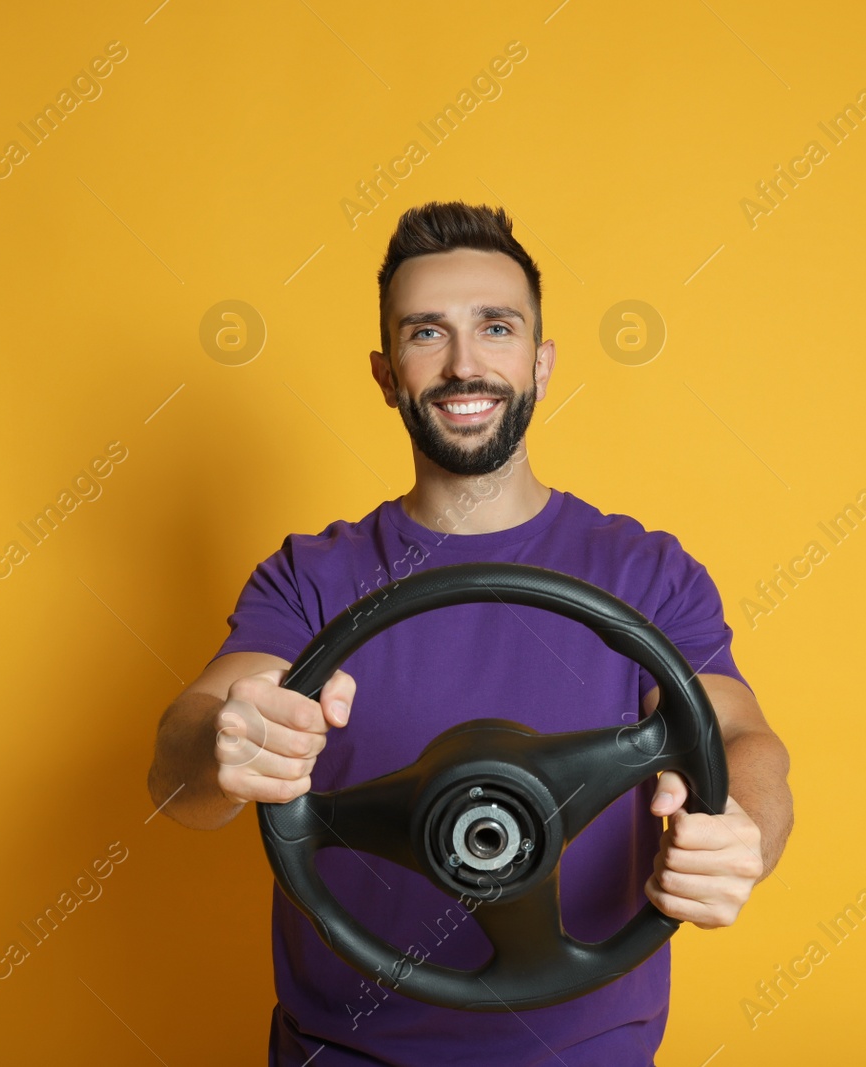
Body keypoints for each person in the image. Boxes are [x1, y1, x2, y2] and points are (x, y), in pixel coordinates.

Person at [147, 200, 793, 1065]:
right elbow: (182, 763)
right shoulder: (314, 576)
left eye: (496, 327)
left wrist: (738, 826)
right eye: (425, 333)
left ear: (541, 360)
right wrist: (226, 741)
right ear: (385, 372)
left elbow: (741, 734)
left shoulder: (644, 570)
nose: (463, 364)